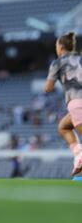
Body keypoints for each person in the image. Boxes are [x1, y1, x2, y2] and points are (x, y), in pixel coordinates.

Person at [45, 31, 82, 176]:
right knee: (63, 126)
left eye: (56, 46)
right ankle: (79, 154)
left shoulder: (57, 62)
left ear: (60, 47)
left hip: (77, 103)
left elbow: (48, 88)